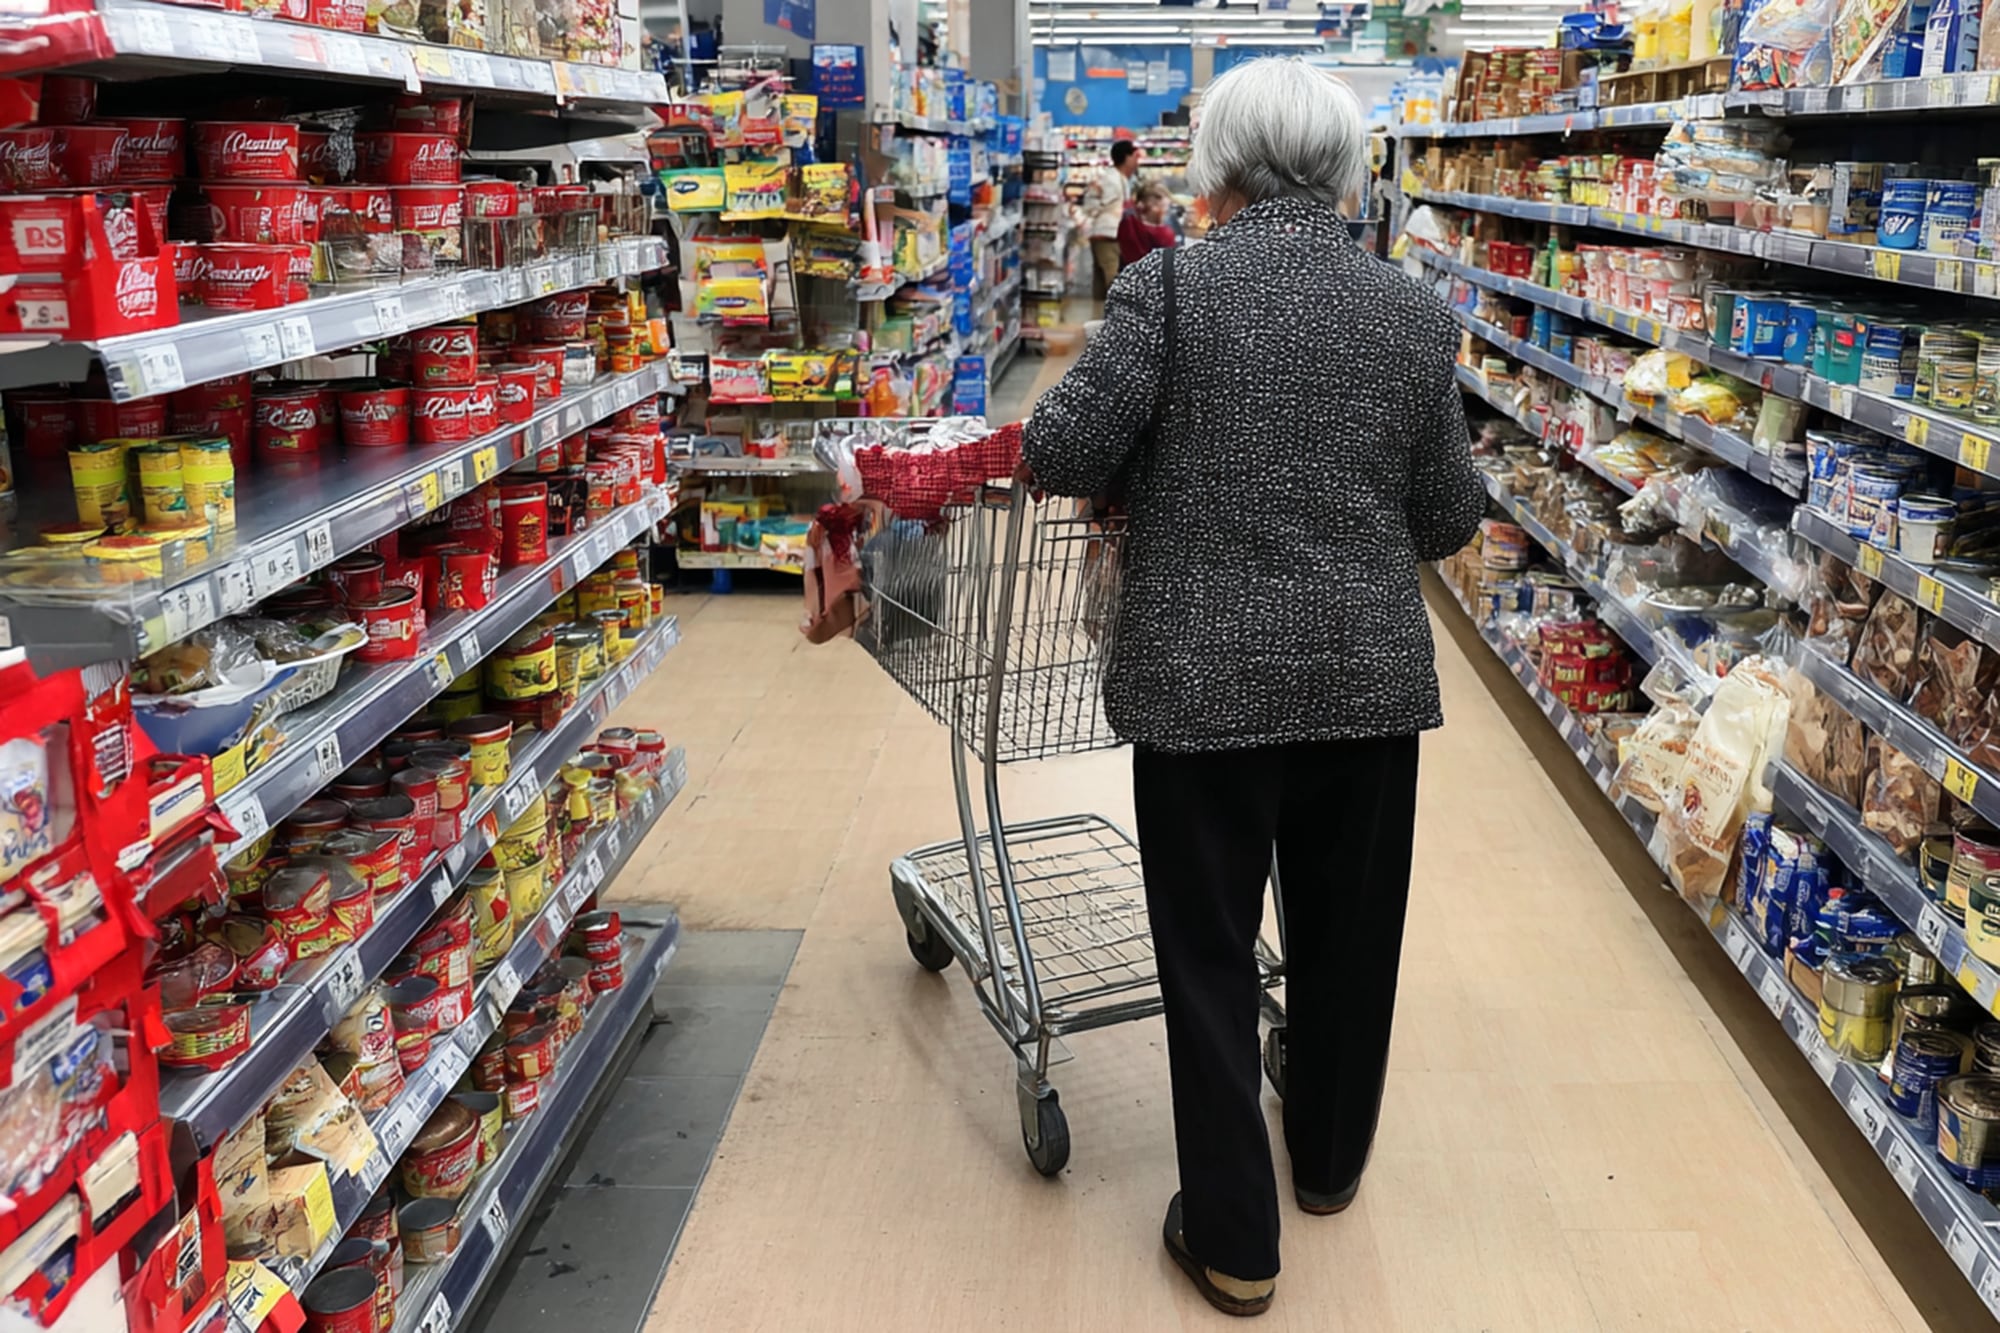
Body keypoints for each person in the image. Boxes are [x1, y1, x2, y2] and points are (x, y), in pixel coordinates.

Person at [1019, 57, 1484, 1319]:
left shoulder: (1168, 284)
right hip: (1366, 683)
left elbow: (1058, 447)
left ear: (1216, 167)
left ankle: (1235, 1240)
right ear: (1346, 170)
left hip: (1197, 681)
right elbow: (1447, 518)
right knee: (1348, 940)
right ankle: (1326, 1165)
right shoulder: (1403, 308)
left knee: (1211, 957)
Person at [1080, 138, 1139, 301]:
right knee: (1112, 278)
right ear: (1127, 158)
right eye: (1135, 157)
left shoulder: (1118, 178)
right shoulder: (1110, 179)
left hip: (1108, 233)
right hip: (1108, 234)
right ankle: (1114, 318)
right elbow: (1092, 204)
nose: (1137, 162)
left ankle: (1099, 317)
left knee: (1101, 278)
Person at [1117, 180, 1177, 266]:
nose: (1167, 212)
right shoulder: (1164, 234)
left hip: (1127, 271)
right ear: (1156, 208)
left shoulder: (1127, 221)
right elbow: (1170, 263)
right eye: (1166, 208)